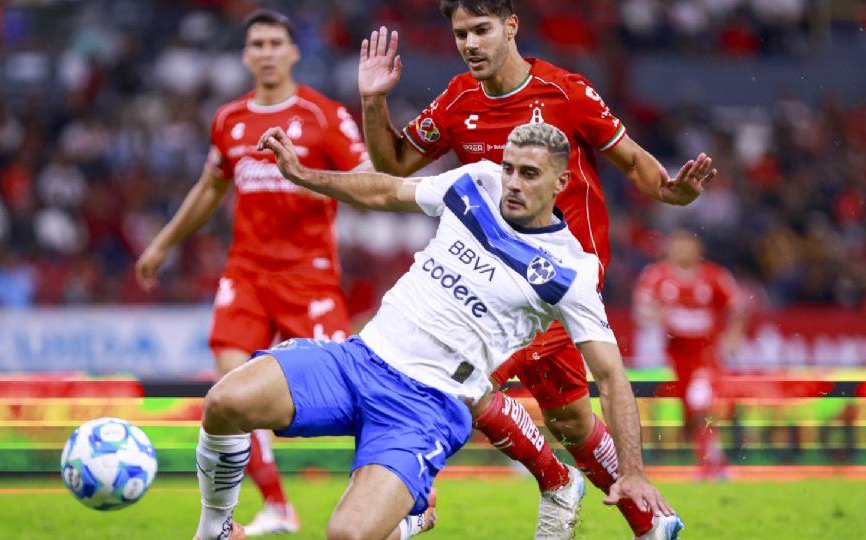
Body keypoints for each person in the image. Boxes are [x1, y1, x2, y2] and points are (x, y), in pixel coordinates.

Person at [192, 121, 675, 540]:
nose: (511, 182)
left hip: (425, 407)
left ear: (561, 182)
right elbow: (386, 191)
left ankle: (414, 520)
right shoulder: (474, 183)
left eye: (529, 174)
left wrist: (633, 472)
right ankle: (217, 529)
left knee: (347, 534)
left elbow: (611, 376)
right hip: (359, 360)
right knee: (225, 402)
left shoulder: (570, 270)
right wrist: (304, 175)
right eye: (509, 168)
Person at [357, 1, 714, 538]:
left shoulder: (566, 92)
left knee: (454, 380)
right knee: (570, 420)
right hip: (494, 284)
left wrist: (672, 193)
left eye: (481, 30)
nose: (471, 44)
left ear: (511, 26)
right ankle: (652, 523)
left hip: (560, 284)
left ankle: (441, 500)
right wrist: (373, 100)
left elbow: (635, 163)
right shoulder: (458, 99)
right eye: (461, 34)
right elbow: (393, 164)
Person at [135, 9, 369, 536]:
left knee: (353, 394)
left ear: (293, 52)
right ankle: (276, 506)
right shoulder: (229, 119)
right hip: (246, 274)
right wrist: (163, 243)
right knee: (230, 386)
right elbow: (210, 187)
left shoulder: (324, 116)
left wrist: (313, 180)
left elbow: (367, 180)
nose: (266, 52)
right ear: (245, 55)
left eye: (275, 43)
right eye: (257, 44)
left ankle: (399, 492)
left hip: (309, 278)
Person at [633, 229, 745, 482]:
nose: (683, 250)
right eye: (678, 245)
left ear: (698, 249)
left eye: (688, 245)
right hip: (673, 355)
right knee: (689, 410)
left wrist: (733, 335)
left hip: (706, 354)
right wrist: (657, 315)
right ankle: (711, 463)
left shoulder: (715, 276)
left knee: (700, 400)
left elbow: (738, 307)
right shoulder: (656, 275)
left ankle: (713, 464)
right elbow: (641, 310)